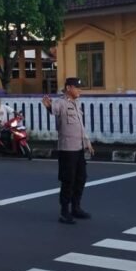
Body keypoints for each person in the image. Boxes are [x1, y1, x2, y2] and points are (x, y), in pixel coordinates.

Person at [42, 77, 95, 225]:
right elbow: (53, 110)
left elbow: (80, 126)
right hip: (67, 149)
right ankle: (64, 212)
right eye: (77, 87)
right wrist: (47, 106)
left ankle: (76, 208)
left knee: (81, 178)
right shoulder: (61, 103)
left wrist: (87, 142)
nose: (80, 90)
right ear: (68, 88)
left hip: (78, 147)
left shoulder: (77, 104)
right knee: (68, 180)